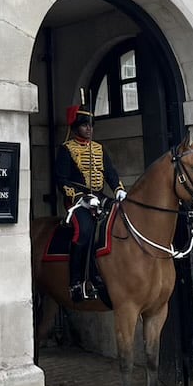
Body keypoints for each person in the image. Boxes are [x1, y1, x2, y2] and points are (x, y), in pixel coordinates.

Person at [55, 106, 126, 301]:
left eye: (90, 125)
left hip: (99, 196)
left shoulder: (98, 148)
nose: (89, 129)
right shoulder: (66, 149)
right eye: (84, 125)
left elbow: (110, 173)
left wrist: (118, 189)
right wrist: (80, 198)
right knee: (84, 231)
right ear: (76, 126)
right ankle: (76, 283)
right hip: (76, 200)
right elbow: (61, 180)